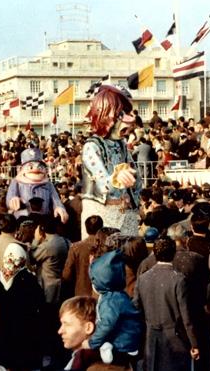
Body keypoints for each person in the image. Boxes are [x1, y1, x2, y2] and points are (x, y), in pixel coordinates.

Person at [81, 85, 142, 239]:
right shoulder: (92, 146)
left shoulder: (121, 144)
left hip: (124, 210)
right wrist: (116, 178)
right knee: (103, 252)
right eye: (121, 114)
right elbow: (102, 182)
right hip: (101, 212)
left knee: (129, 252)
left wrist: (135, 185)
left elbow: (134, 174)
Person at [134, 237, 199, 371]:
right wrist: (194, 343)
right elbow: (186, 317)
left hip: (150, 338)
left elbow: (136, 308)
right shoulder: (179, 279)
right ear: (174, 253)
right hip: (175, 340)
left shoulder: (142, 278)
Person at [80, 249, 142, 367]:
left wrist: (92, 343)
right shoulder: (116, 295)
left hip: (123, 346)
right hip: (128, 339)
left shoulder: (111, 301)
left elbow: (106, 324)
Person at [0, 242, 45, 370]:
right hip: (24, 330)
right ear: (22, 259)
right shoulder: (28, 278)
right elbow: (40, 301)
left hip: (2, 328)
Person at [63, 215, 104, 297]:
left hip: (81, 294)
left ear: (86, 229)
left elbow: (67, 275)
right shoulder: (106, 247)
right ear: (101, 228)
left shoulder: (76, 247)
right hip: (101, 294)